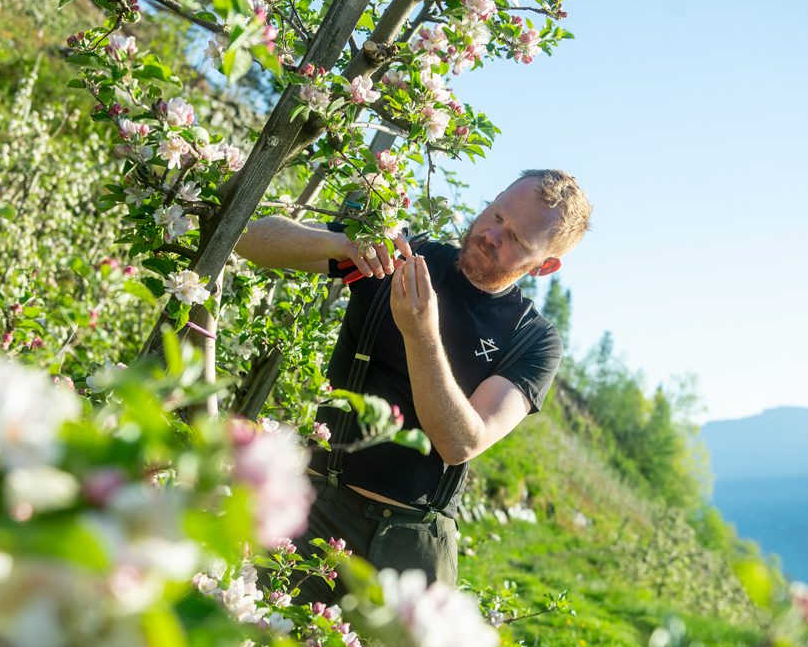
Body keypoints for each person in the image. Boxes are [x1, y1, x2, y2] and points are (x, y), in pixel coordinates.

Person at [234, 169, 592, 603]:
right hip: (316, 511)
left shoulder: (533, 338)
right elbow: (248, 238)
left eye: (516, 238)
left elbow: (460, 442)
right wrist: (342, 245)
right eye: (496, 214)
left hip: (412, 546)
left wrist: (421, 333)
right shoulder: (406, 254)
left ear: (545, 265)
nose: (491, 235)